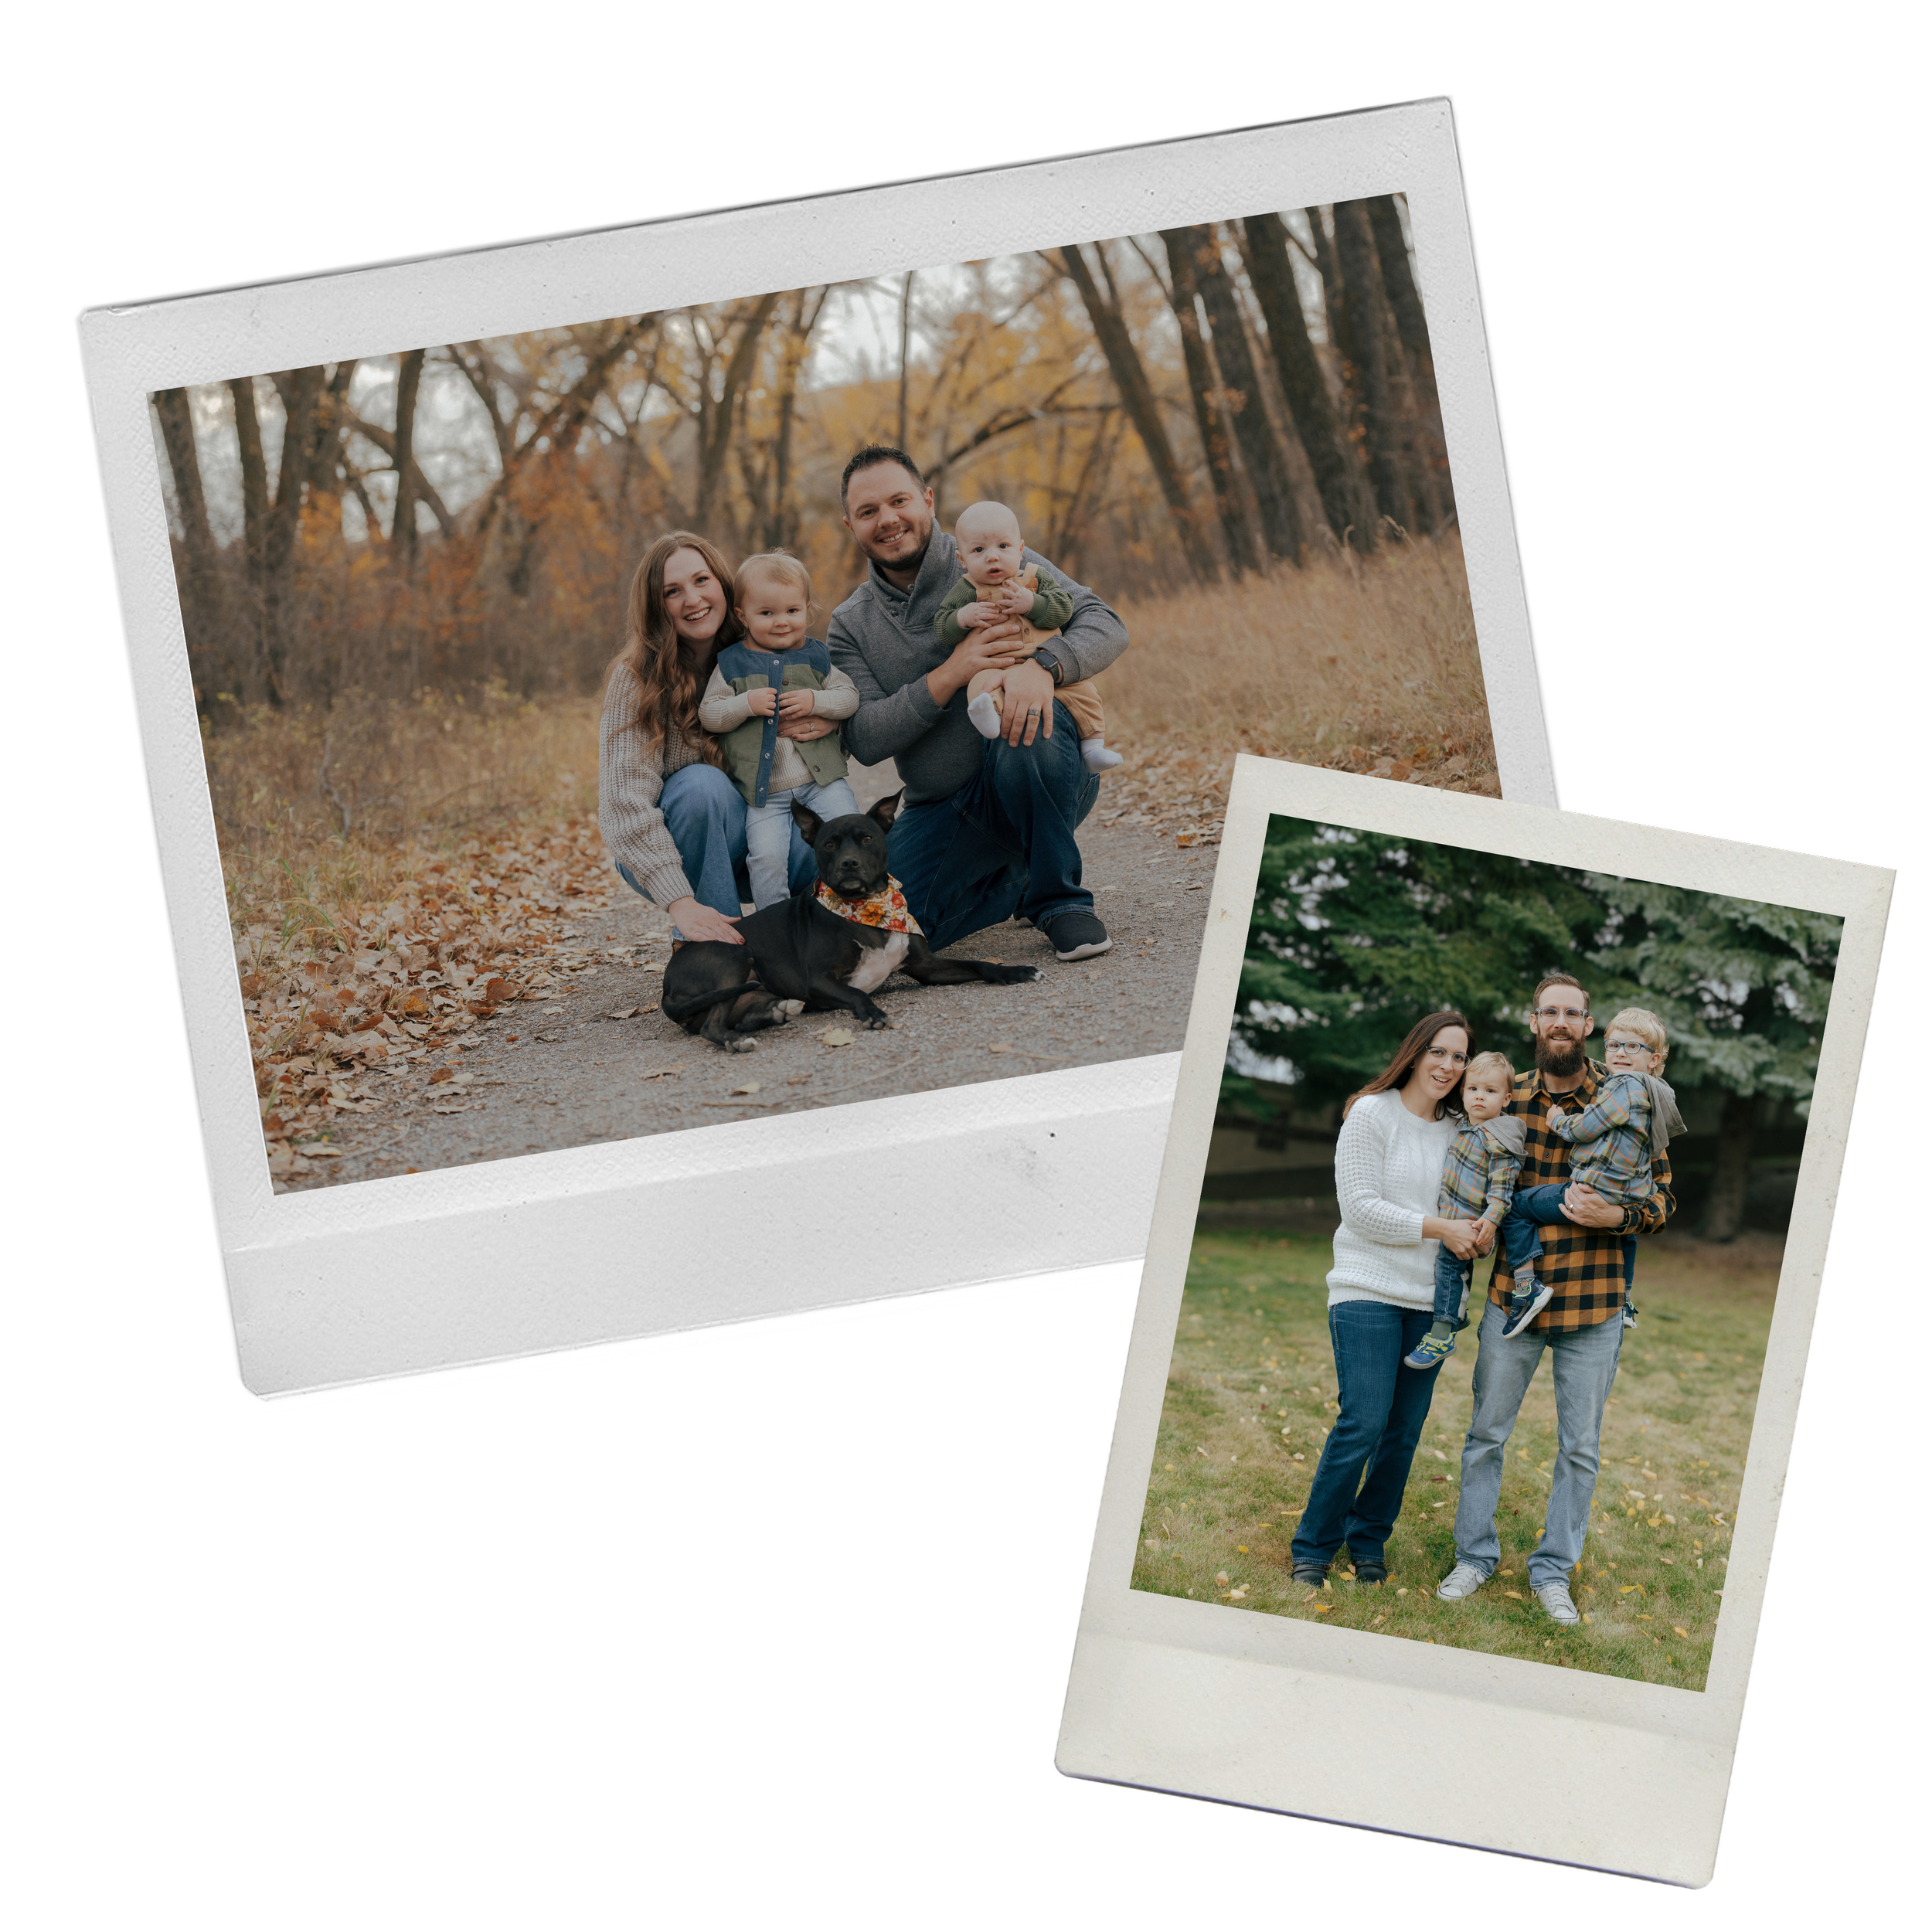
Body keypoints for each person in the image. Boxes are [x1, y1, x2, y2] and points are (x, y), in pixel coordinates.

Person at [827, 445, 1128, 963]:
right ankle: (1018, 876)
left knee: (1024, 722)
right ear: (850, 523)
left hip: (1037, 769)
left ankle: (1060, 902)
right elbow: (865, 738)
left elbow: (1106, 624)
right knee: (867, 939)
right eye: (869, 511)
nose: (888, 519)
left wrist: (1044, 666)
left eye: (899, 501)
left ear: (927, 499)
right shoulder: (851, 624)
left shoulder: (993, 552)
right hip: (941, 808)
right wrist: (953, 673)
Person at [1437, 974, 1675, 1628]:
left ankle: (1553, 1572)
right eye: (1551, 1012)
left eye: (1574, 1012)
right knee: (1486, 1434)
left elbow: (1661, 1198)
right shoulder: (1504, 1095)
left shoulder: (1632, 1092)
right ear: (1535, 1022)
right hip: (1515, 1301)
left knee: (1580, 1448)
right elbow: (1451, 1149)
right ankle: (1474, 1557)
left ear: (1589, 1024)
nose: (1562, 1021)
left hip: (1595, 1305)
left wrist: (1616, 1220)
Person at [1288, 1012, 1481, 1590]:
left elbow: (1474, 1205)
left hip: (1432, 1304)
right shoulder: (1371, 1113)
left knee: (1402, 1432)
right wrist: (1440, 1228)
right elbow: (1360, 1209)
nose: (1448, 1066)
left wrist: (1478, 1229)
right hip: (1366, 1287)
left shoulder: (1461, 1130)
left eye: (1460, 1057)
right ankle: (1314, 1547)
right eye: (1440, 1053)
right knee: (1365, 1421)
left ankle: (1368, 1540)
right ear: (1417, 1051)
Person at [599, 532, 838, 946]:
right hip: (681, 846)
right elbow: (624, 802)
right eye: (672, 591)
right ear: (656, 606)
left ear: (725, 587)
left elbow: (836, 702)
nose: (692, 599)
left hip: (768, 830)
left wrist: (830, 721)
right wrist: (679, 902)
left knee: (841, 851)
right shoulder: (636, 678)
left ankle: (803, 939)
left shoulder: (764, 645)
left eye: (701, 580)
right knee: (701, 786)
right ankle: (718, 947)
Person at [698, 550, 861, 910]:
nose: (782, 622)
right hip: (765, 792)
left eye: (792, 611)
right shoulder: (732, 663)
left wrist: (817, 702)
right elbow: (709, 714)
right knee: (767, 860)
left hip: (821, 780)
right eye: (767, 613)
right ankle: (776, 924)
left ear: (806, 607)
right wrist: (744, 705)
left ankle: (858, 910)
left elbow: (849, 697)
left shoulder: (817, 656)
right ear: (742, 615)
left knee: (849, 834)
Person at [936, 501, 1121, 773]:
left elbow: (1063, 608)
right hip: (997, 666)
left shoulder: (1036, 578)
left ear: (1021, 550)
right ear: (962, 559)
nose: (992, 557)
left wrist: (1033, 604)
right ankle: (987, 715)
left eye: (1003, 547)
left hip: (1046, 664)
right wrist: (963, 618)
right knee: (981, 686)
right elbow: (942, 626)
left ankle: (1093, 746)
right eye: (978, 550)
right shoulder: (967, 591)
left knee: (1085, 692)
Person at [1402, 1050, 1526, 1371]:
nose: (1480, 1097)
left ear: (1507, 1098)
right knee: (1451, 1272)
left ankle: (1442, 1332)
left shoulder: (1500, 1141)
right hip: (1450, 1220)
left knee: (1448, 1268)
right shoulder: (1465, 1129)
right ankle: (1455, 1313)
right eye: (1473, 1089)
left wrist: (1489, 1221)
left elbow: (1502, 1191)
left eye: (1490, 1091)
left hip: (1470, 1224)